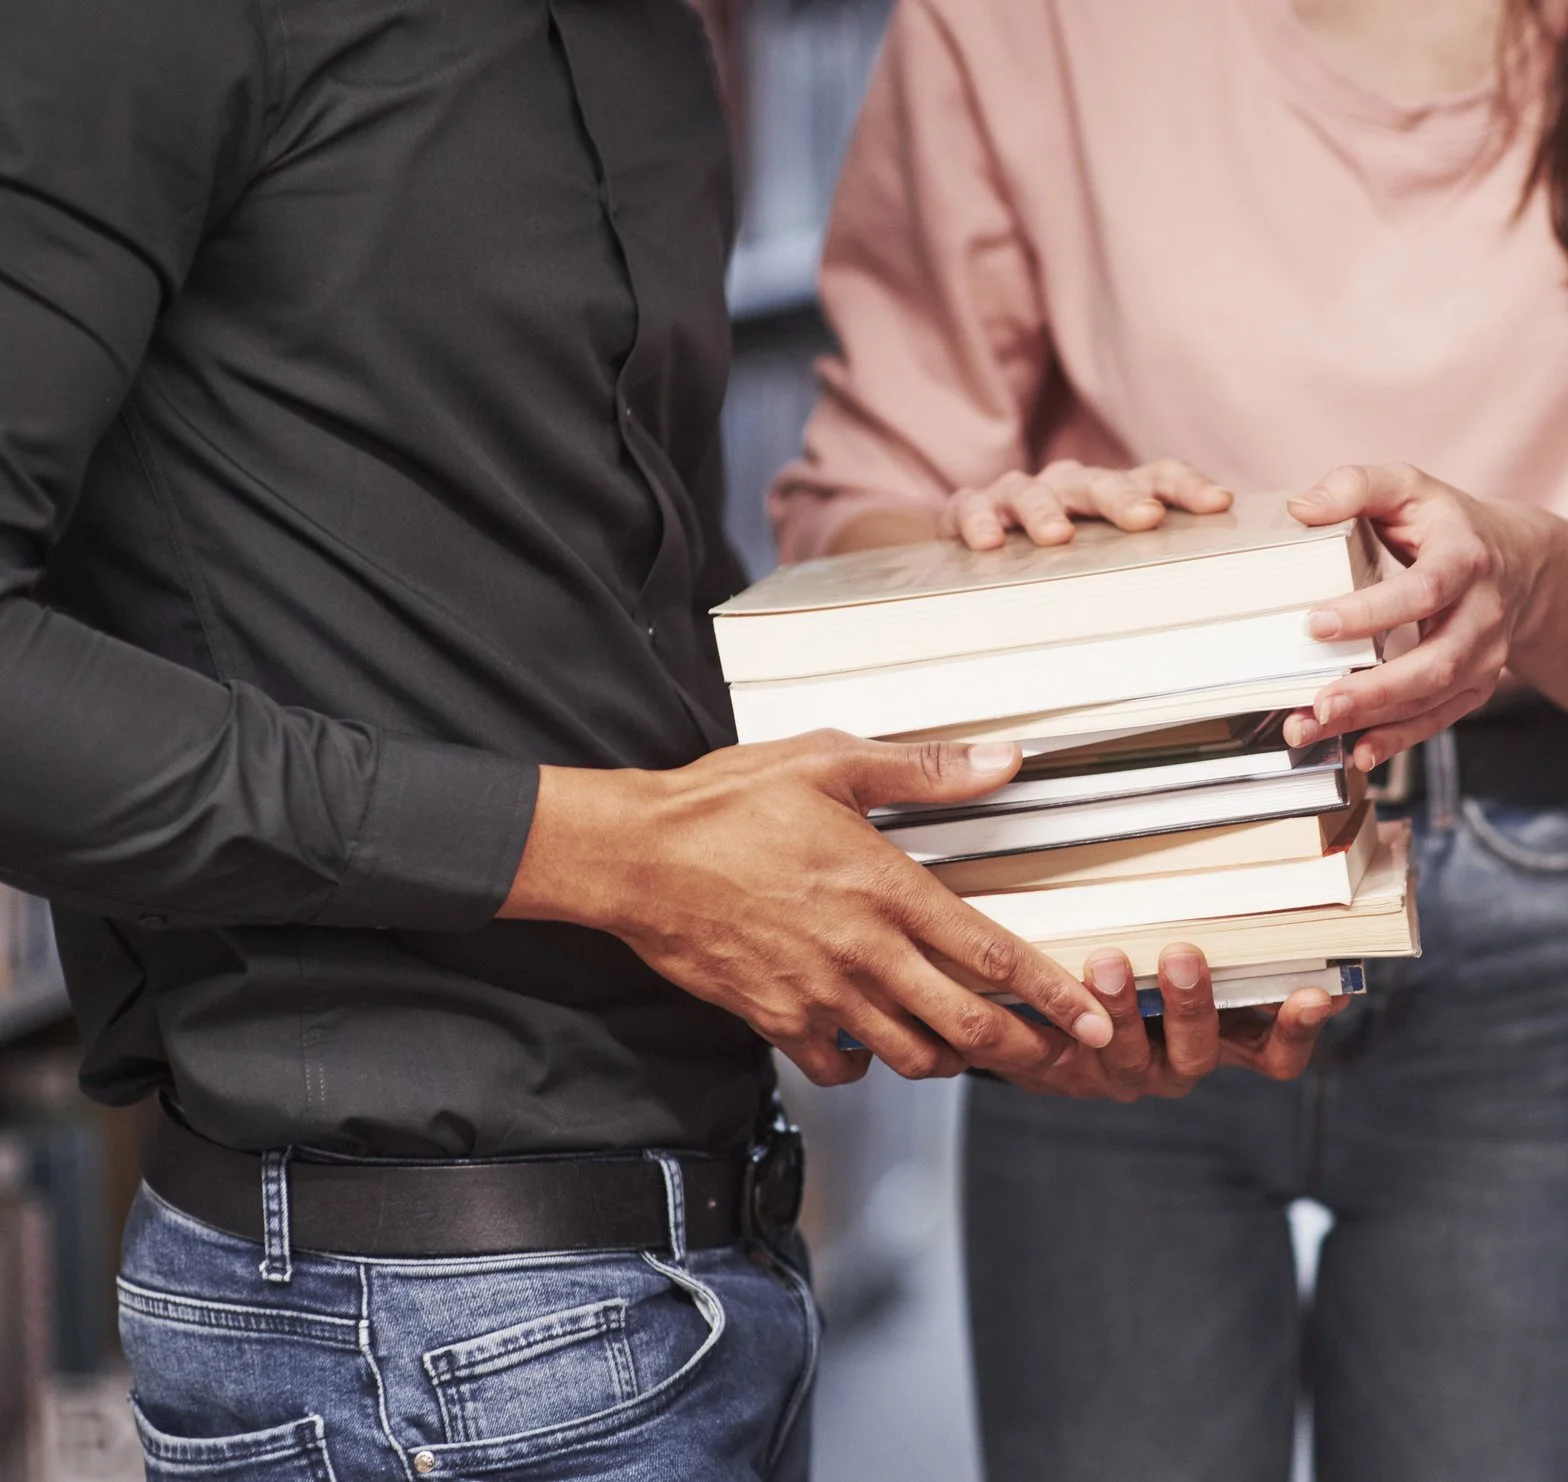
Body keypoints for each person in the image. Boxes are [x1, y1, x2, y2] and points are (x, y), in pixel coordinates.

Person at [0, 1, 1344, 1476]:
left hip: (703, 1267)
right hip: (401, 1328)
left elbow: (615, 639)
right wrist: (616, 858)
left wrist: (1008, 896)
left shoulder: (658, 46)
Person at [768, 0, 1568, 1476]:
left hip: (1518, 880)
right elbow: (857, 502)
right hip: (1110, 888)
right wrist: (981, 547)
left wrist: (1533, 583)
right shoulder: (1019, 22)